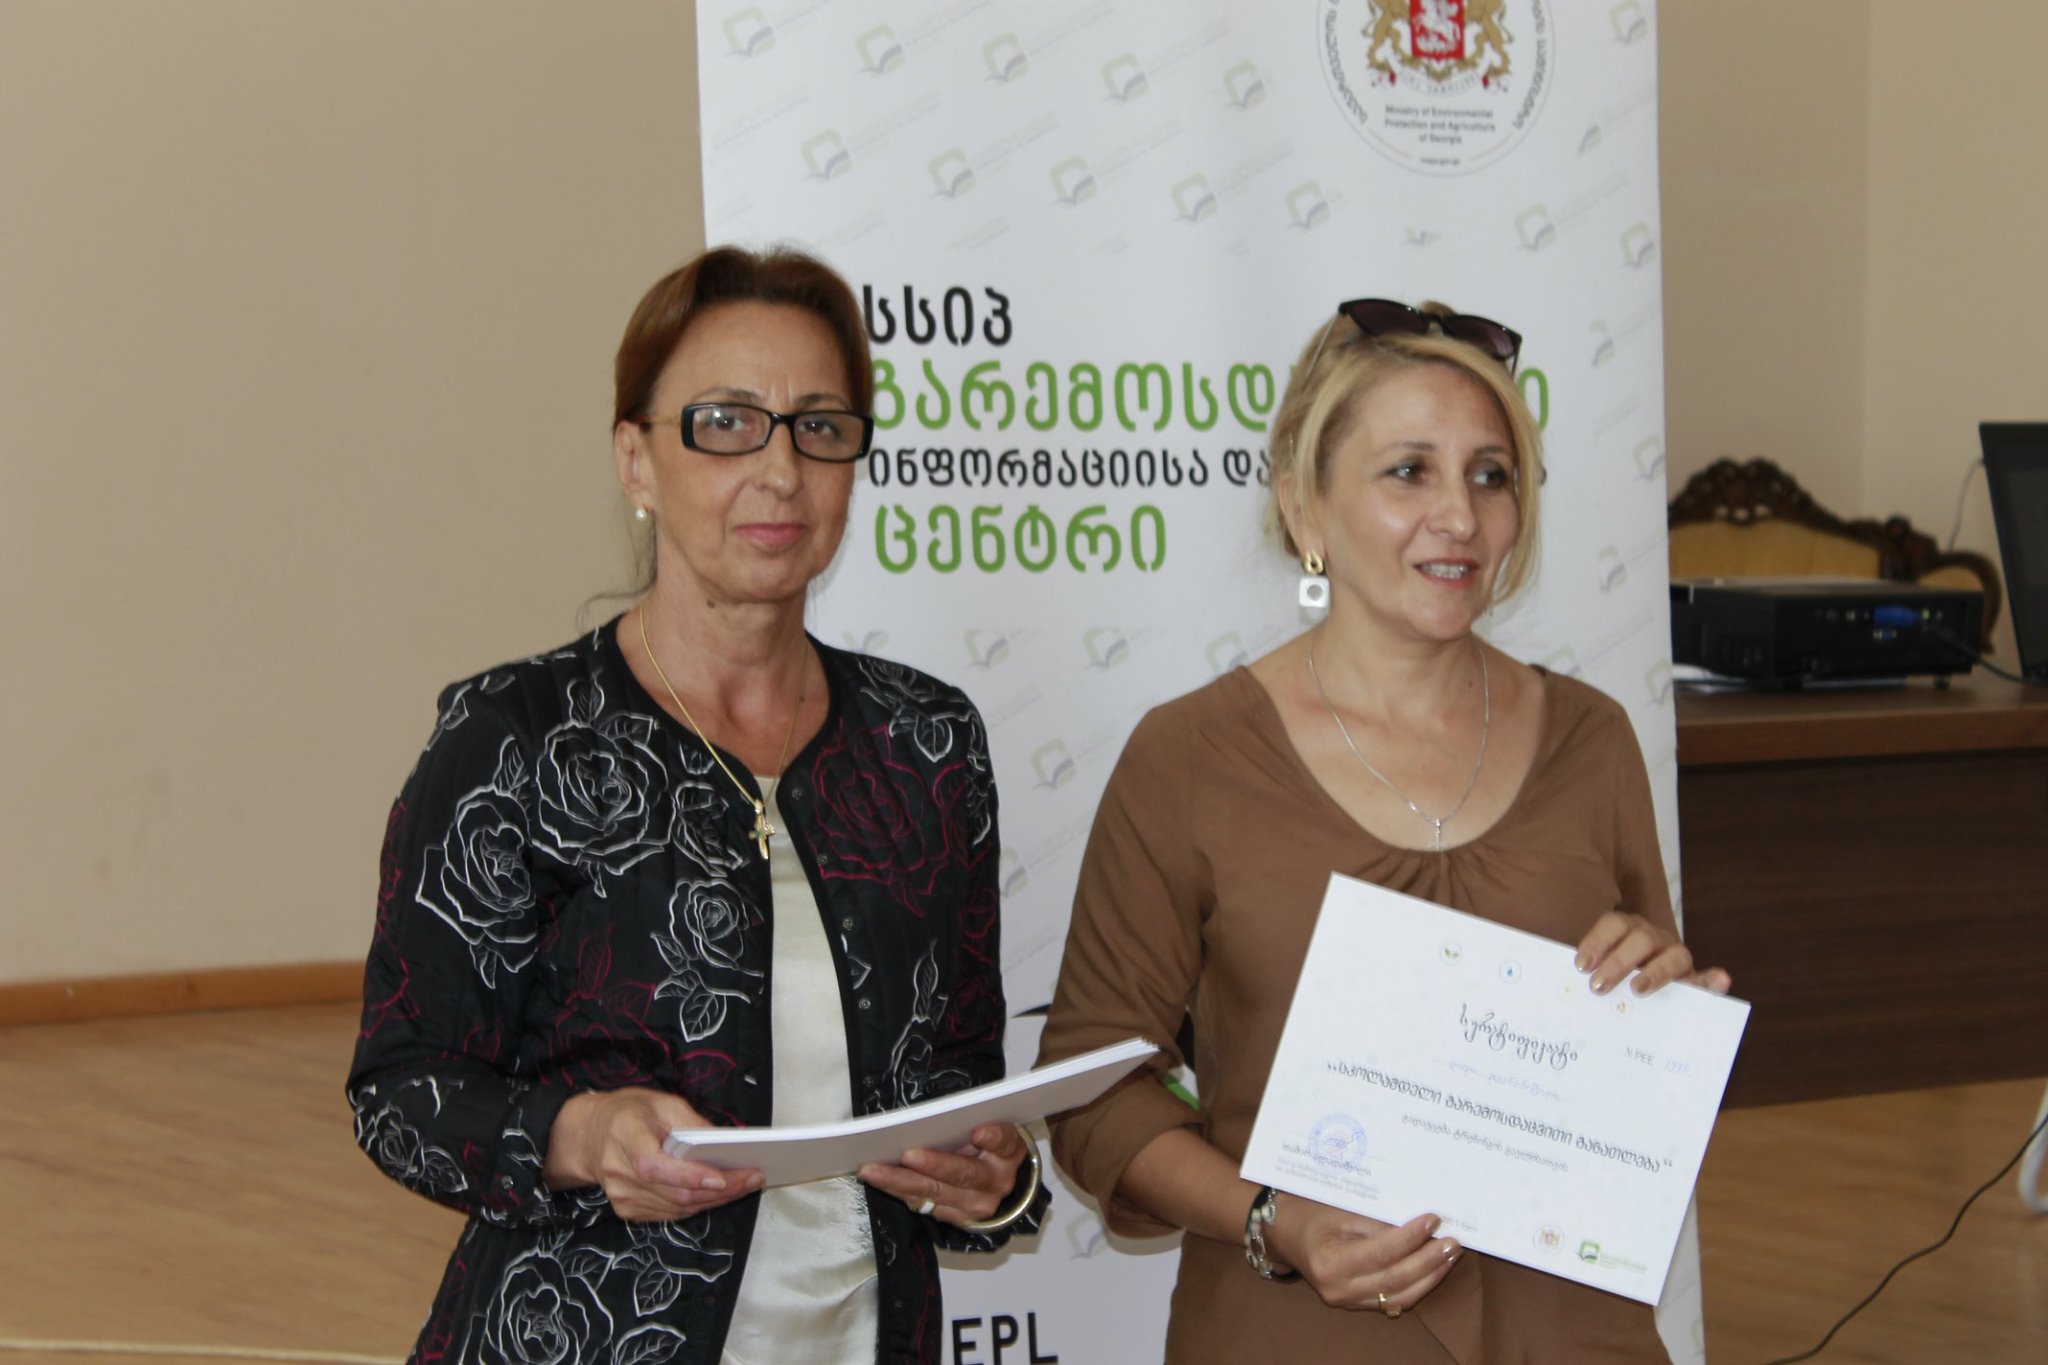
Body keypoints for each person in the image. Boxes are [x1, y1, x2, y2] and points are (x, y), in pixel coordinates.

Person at [347, 245, 1046, 1365]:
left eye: (819, 427)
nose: (780, 470)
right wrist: (581, 1135)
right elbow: (400, 1091)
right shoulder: (515, 737)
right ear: (635, 459)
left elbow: (958, 1076)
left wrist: (992, 1179)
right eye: (725, 423)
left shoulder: (926, 743)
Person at [1035, 298, 1731, 1363]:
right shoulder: (1189, 756)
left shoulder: (1591, 738)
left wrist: (1662, 1005)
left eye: (1491, 475)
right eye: (1408, 471)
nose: (1459, 515)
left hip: (1570, 1334)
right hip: (1296, 1329)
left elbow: (1634, 1079)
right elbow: (1094, 1092)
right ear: (1303, 507)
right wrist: (1275, 1223)